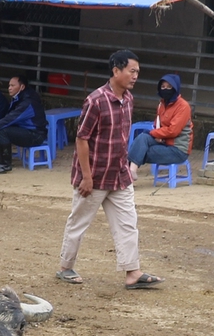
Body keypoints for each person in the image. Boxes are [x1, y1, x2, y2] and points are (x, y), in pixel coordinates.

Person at [60, 49, 159, 289]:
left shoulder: (128, 99)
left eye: (137, 72)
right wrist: (86, 177)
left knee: (127, 223)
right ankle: (65, 267)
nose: (135, 76)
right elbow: (82, 139)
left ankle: (133, 273)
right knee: (79, 222)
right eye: (131, 71)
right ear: (116, 70)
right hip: (93, 176)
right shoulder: (96, 100)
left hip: (118, 174)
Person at [130, 74, 192, 171]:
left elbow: (173, 131)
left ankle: (129, 173)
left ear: (175, 88)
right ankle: (130, 173)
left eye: (169, 87)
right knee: (142, 137)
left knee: (142, 151)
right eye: (163, 87)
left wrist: (153, 133)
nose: (165, 89)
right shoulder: (162, 104)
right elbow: (157, 124)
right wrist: (157, 134)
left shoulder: (183, 106)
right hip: (163, 142)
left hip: (178, 150)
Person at [0, 73, 45, 171]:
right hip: (24, 130)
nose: (9, 88)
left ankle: (5, 165)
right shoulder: (18, 97)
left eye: (13, 86)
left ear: (22, 87)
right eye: (9, 85)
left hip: (35, 135)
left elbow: (10, 118)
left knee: (2, 131)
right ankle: (1, 160)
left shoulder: (27, 102)